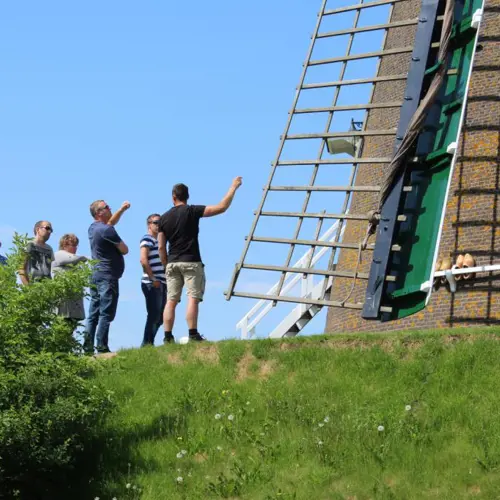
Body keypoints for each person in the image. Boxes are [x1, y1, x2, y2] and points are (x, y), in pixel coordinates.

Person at [158, 177, 242, 343]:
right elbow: (221, 207)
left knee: (171, 300)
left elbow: (161, 246)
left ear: (173, 197)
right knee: (192, 298)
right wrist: (233, 187)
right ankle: (193, 333)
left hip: (172, 262)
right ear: (187, 197)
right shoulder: (192, 211)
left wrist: (165, 263)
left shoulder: (164, 218)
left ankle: (167, 337)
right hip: (191, 261)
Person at [84, 200, 129, 354]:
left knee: (93, 313)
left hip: (96, 274)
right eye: (106, 207)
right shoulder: (107, 231)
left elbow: (110, 223)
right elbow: (124, 249)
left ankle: (87, 347)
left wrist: (121, 210)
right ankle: (102, 346)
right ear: (99, 213)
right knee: (106, 312)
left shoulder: (93, 228)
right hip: (107, 275)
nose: (110, 208)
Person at [139, 214, 166, 346]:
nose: (158, 225)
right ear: (149, 224)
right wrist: (153, 278)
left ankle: (149, 342)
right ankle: (147, 344)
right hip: (152, 283)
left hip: (162, 282)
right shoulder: (147, 239)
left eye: (160, 222)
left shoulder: (159, 241)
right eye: (156, 222)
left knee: (160, 317)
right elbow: (143, 260)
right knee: (154, 314)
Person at [52, 234, 88, 328]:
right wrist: (85, 258)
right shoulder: (58, 254)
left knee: (69, 330)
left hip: (73, 303)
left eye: (76, 245)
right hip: (63, 302)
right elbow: (74, 258)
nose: (75, 248)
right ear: (64, 245)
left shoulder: (73, 263)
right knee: (61, 328)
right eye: (73, 245)